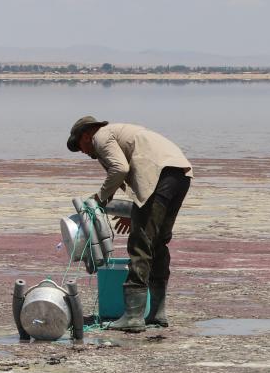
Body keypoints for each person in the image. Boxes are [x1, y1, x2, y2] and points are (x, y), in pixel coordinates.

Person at [67, 116, 192, 332]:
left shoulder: (101, 137)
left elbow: (119, 169)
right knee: (158, 242)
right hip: (179, 174)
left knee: (140, 243)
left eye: (80, 147)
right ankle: (157, 313)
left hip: (159, 175)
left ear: (86, 135)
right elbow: (132, 172)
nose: (84, 153)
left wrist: (99, 199)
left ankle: (133, 317)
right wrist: (135, 210)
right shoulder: (119, 132)